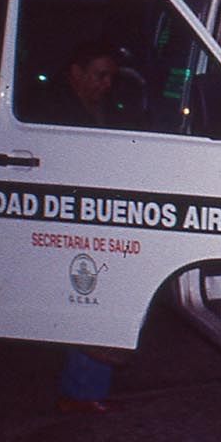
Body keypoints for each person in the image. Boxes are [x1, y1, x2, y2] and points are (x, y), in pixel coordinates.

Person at [50, 40, 130, 413]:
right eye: (100, 76)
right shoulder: (56, 110)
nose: (107, 85)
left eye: (111, 77)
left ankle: (87, 389)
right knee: (85, 297)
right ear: (76, 74)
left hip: (98, 214)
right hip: (72, 215)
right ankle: (79, 392)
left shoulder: (102, 108)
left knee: (95, 297)